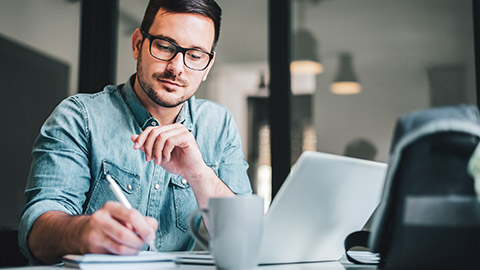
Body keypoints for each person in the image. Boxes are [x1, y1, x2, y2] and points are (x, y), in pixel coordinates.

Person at [18, 0, 252, 264]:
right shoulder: (79, 117)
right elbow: (36, 231)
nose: (177, 67)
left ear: (207, 66)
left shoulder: (218, 125)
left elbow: (247, 240)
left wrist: (199, 174)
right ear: (137, 44)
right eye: (165, 46)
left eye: (195, 55)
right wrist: (83, 232)